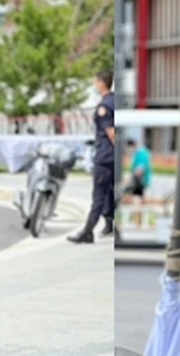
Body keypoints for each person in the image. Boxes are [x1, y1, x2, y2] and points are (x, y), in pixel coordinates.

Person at [68, 69, 115, 243]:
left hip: (105, 156)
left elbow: (111, 132)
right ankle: (111, 225)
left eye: (95, 82)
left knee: (99, 195)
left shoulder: (104, 106)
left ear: (101, 83)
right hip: (112, 157)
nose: (94, 85)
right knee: (113, 193)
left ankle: (87, 231)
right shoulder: (115, 101)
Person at [121, 138, 151, 205]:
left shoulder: (141, 153)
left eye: (129, 147)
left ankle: (139, 212)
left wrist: (129, 179)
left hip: (140, 179)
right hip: (137, 179)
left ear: (132, 145)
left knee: (138, 198)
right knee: (137, 197)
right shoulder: (137, 153)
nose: (129, 150)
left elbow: (140, 168)